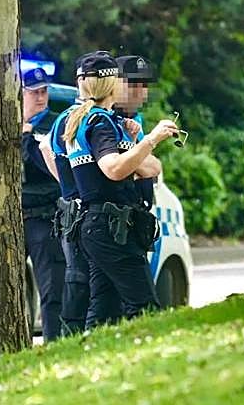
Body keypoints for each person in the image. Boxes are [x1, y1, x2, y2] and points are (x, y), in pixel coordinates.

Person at [66, 52, 179, 324]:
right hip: (109, 226)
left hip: (97, 225)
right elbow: (113, 169)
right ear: (112, 84)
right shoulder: (100, 122)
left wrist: (131, 141)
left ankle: (88, 360)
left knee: (104, 310)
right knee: (144, 305)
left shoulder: (88, 119)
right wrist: (151, 139)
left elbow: (148, 168)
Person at [48, 54, 97, 335]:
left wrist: (68, 185)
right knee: (81, 282)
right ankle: (75, 338)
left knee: (80, 282)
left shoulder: (67, 118)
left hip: (74, 210)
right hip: (80, 214)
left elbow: (48, 150)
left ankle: (76, 337)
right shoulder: (76, 118)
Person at [20, 67, 66, 341]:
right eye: (34, 92)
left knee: (52, 290)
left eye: (44, 91)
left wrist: (26, 136)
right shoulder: (0, 123)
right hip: (11, 220)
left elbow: (44, 165)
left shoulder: (52, 126)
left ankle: (53, 344)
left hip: (43, 217)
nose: (40, 98)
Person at [115, 55, 158, 210]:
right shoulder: (104, 120)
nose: (140, 91)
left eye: (144, 84)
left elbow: (154, 168)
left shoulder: (135, 118)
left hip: (137, 212)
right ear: (114, 83)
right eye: (133, 83)